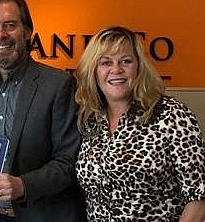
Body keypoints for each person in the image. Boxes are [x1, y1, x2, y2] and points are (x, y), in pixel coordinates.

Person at [0, 0, 87, 222]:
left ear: (27, 32)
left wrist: (23, 185)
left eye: (10, 25)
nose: (0, 35)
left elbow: (69, 161)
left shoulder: (59, 85)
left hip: (40, 215)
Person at [74, 26, 205, 221]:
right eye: (105, 62)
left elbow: (199, 198)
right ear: (93, 70)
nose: (116, 70)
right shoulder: (89, 120)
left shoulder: (172, 115)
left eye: (126, 61)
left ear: (139, 67)